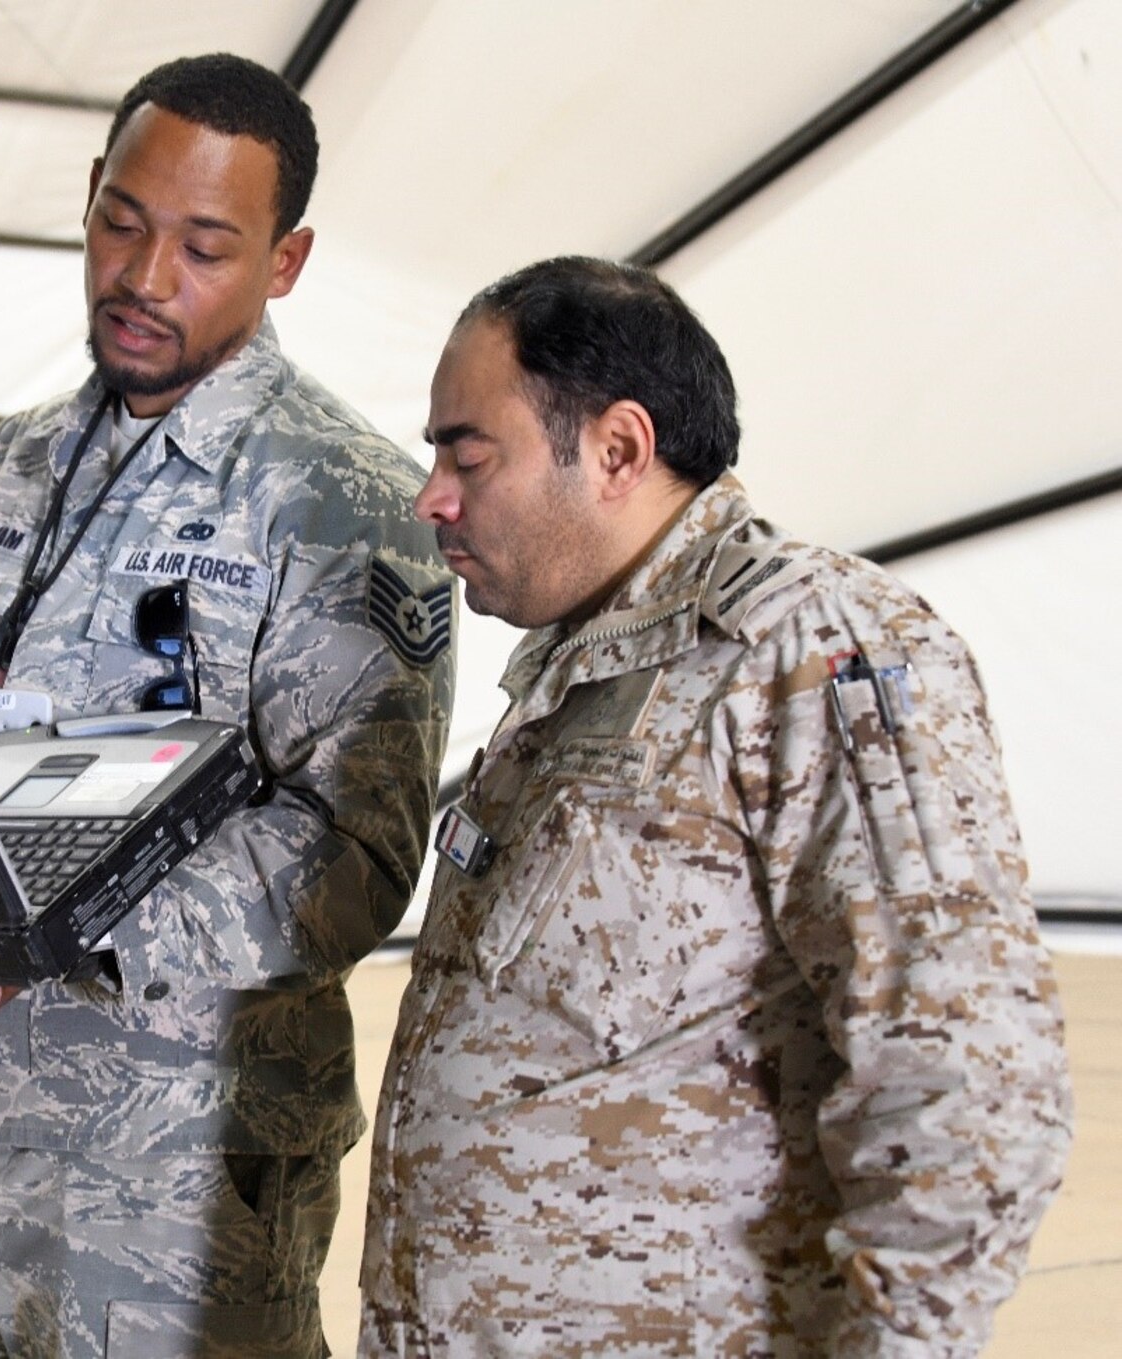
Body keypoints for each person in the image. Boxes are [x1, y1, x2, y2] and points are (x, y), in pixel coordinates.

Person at [0, 53, 455, 1358]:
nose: (146, 276)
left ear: (286, 261)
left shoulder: (344, 498)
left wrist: (50, 933)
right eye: (123, 221)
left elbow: (355, 854)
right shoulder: (24, 457)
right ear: (89, 198)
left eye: (206, 245)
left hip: (184, 1175)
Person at [359, 254, 1073, 1357]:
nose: (431, 497)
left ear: (615, 449)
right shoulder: (581, 671)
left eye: (466, 452)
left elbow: (967, 1091)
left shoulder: (815, 650)